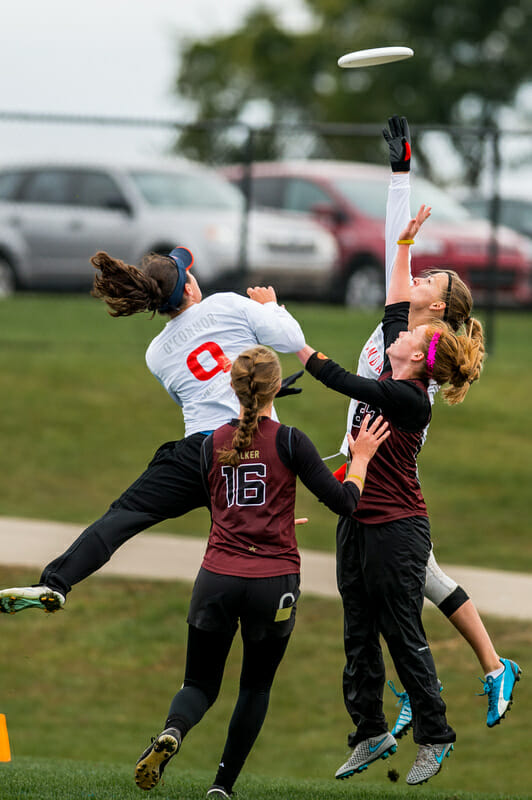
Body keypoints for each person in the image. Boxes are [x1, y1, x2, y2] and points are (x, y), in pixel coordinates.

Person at [133, 345, 390, 799]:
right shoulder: (290, 440)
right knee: (254, 687)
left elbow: (225, 510)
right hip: (272, 585)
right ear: (277, 388)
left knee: (198, 684)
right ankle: (221, 786)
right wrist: (362, 458)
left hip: (216, 578)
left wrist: (266, 519)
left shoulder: (211, 443)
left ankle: (173, 731)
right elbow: (346, 503)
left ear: (232, 388)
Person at [335, 116, 520, 736]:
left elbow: (396, 268)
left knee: (410, 587)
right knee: (414, 586)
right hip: (366, 467)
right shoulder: (403, 328)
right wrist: (400, 175)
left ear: (436, 308)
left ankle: (476, 674)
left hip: (387, 482)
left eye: (427, 281)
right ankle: (478, 671)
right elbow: (395, 252)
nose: (413, 277)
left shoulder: (415, 349)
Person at [0, 247, 307, 614]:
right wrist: (269, 306)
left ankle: (55, 583)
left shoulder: (157, 352)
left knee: (124, 515)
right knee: (247, 542)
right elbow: (291, 340)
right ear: (190, 288)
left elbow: (192, 395)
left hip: (198, 453)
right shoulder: (227, 303)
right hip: (251, 451)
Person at [297, 202, 486, 786]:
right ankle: (369, 731)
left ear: (417, 358)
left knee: (402, 633)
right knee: (358, 629)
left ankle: (435, 735)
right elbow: (393, 307)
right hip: (359, 516)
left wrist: (288, 336)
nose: (397, 337)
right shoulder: (398, 368)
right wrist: (404, 245)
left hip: (399, 528)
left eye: (407, 337)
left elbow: (341, 380)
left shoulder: (409, 397)